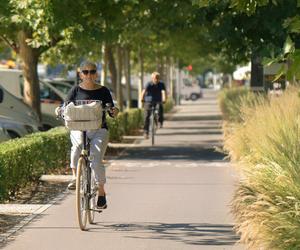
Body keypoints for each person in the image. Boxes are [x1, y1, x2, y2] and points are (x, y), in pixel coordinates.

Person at [64, 61, 118, 209]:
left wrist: (114, 111)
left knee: (96, 158)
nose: (89, 75)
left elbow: (111, 110)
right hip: (79, 128)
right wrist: (59, 111)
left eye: (92, 71)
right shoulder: (74, 90)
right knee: (76, 148)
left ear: (96, 73)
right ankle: (75, 177)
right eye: (85, 72)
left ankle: (101, 192)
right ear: (80, 74)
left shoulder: (103, 91)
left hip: (99, 129)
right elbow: (65, 108)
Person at [141, 72, 166, 139]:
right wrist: (142, 98)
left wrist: (164, 99)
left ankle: (160, 122)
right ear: (152, 78)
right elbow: (144, 91)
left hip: (157, 100)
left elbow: (163, 92)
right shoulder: (148, 84)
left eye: (157, 78)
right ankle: (146, 132)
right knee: (146, 116)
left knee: (160, 108)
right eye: (155, 78)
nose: (156, 79)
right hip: (148, 101)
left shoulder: (161, 84)